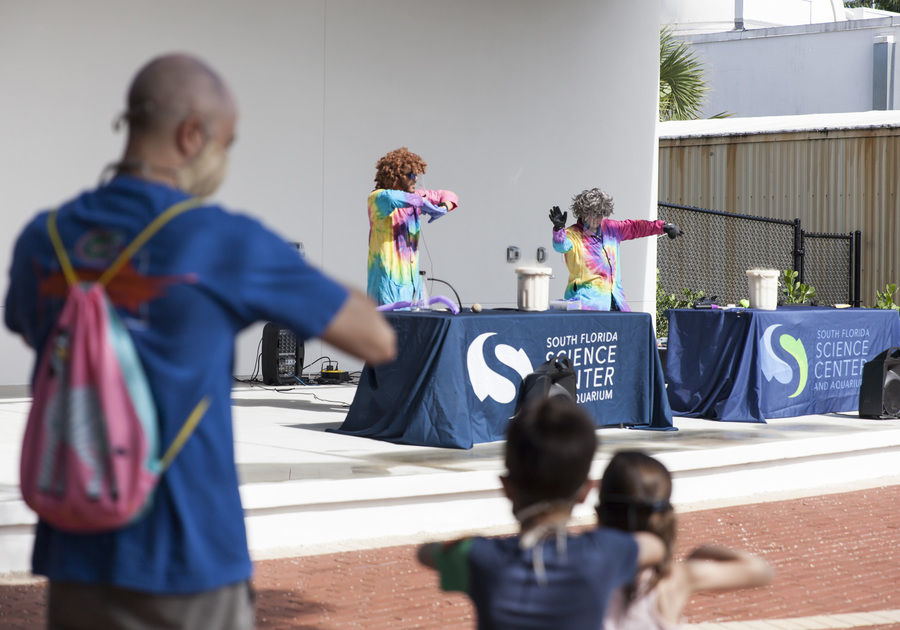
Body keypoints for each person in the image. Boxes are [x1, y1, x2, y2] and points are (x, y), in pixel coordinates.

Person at [4, 53, 396, 630]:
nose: (223, 161)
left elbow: (24, 322)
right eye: (226, 144)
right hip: (188, 557)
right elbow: (376, 338)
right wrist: (282, 278)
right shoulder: (223, 242)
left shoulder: (44, 238)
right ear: (193, 135)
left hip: (74, 550)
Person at [417, 397, 665, 630]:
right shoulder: (602, 553)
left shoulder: (481, 558)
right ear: (585, 492)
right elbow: (655, 546)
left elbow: (424, 553)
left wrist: (466, 545)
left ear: (507, 488)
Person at [598, 451, 775, 630]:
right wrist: (703, 550)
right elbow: (762, 571)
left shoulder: (580, 567)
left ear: (600, 512)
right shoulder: (674, 578)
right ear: (666, 516)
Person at [549, 188, 683, 311]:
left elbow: (635, 227)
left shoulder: (611, 228)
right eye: (593, 213)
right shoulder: (573, 234)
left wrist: (664, 226)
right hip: (587, 304)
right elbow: (561, 246)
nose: (597, 218)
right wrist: (559, 229)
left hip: (616, 301)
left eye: (601, 214)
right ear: (583, 212)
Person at [366, 147, 458, 306]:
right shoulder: (377, 197)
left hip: (412, 287)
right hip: (386, 286)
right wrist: (423, 202)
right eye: (411, 175)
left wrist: (443, 207)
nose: (415, 179)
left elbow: (450, 195)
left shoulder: (414, 197)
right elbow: (392, 197)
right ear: (394, 176)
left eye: (417, 175)